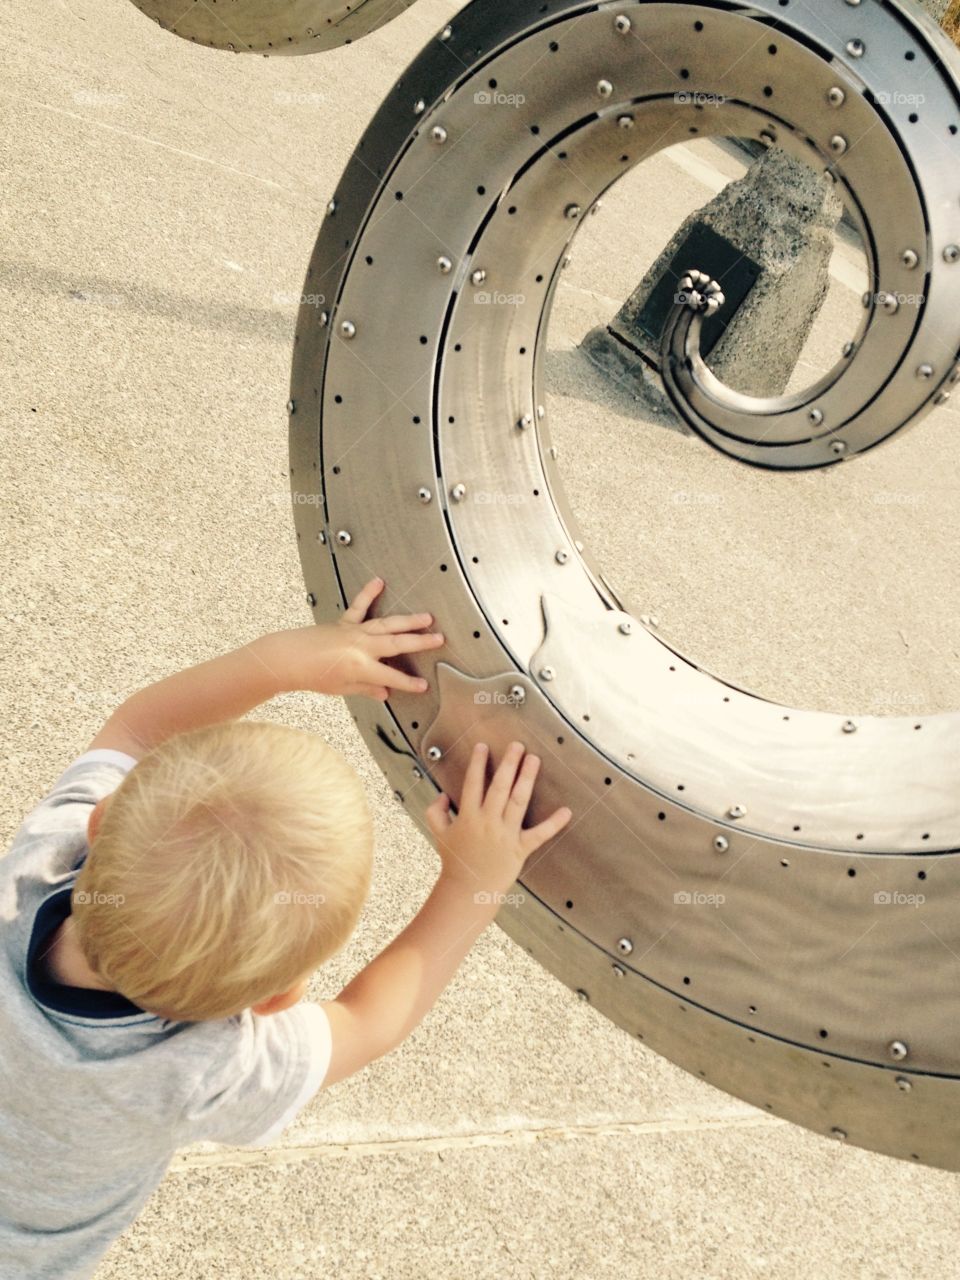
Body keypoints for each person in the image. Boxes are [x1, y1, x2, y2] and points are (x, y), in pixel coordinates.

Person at [0, 576, 571, 1280]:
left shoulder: (37, 867)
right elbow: (367, 1023)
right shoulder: (204, 1072)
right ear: (275, 999)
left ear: (100, 821)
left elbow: (138, 727)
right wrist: (474, 879)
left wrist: (285, 661)